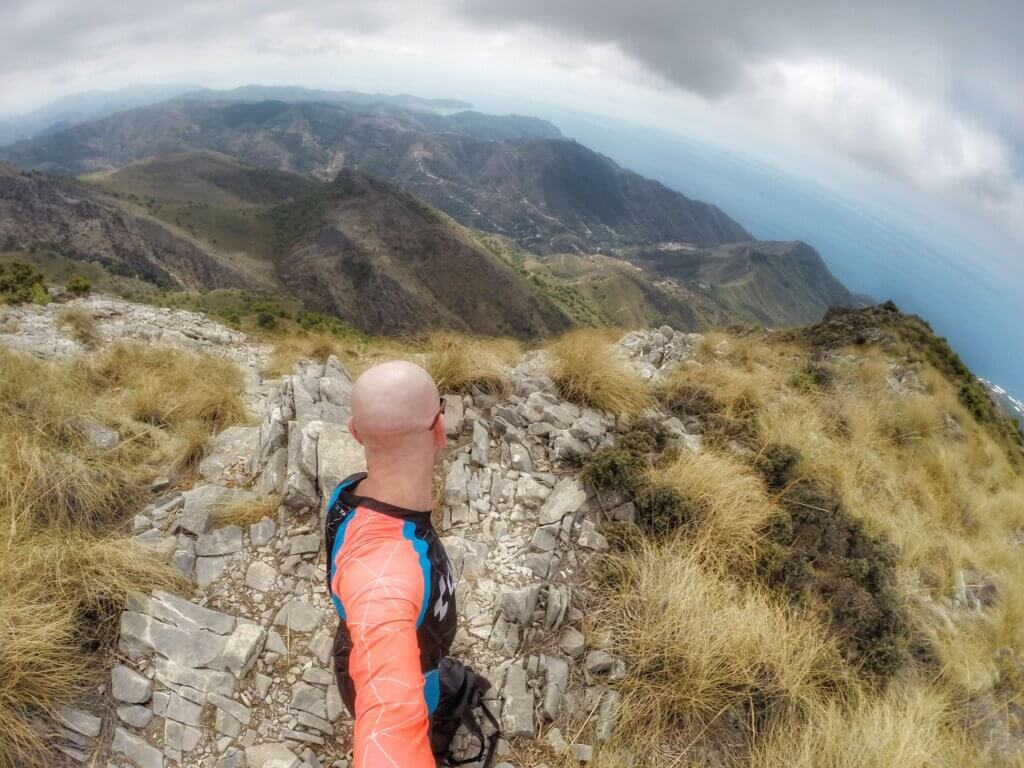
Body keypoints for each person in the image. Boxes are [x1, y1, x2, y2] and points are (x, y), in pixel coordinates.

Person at [323, 360, 457, 767]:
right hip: (412, 672)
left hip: (364, 646)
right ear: (439, 429)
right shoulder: (387, 578)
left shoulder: (348, 492)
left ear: (353, 432)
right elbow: (389, 731)